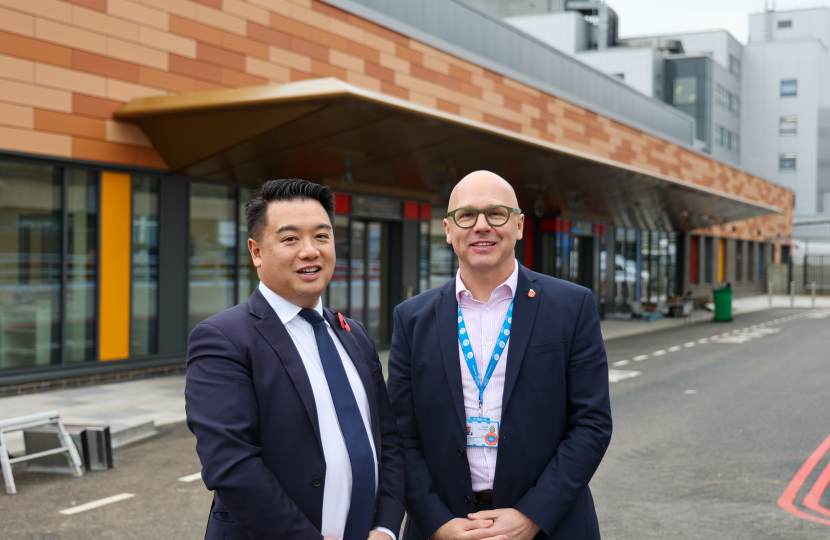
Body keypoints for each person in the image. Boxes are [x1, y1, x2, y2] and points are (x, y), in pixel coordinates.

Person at [387, 171, 612, 540]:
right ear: (448, 229)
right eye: (466, 216)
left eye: (496, 214)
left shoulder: (572, 307)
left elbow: (591, 425)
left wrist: (532, 515)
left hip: (549, 526)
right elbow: (400, 436)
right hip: (445, 528)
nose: (481, 226)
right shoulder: (411, 318)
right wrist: (437, 522)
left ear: (519, 225)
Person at [186, 179, 405, 540]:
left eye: (322, 236)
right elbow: (232, 465)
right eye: (290, 239)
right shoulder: (224, 338)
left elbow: (389, 442)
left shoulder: (354, 334)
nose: (310, 251)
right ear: (256, 252)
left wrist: (384, 528)